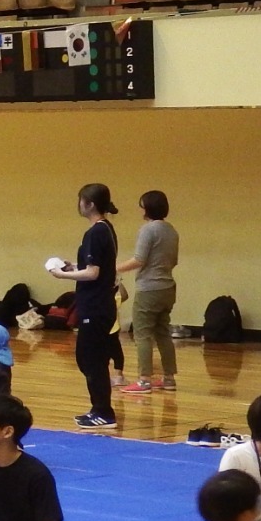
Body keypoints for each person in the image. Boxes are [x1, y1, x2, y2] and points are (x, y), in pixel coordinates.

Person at [48, 183, 120, 429]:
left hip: (96, 306)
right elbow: (94, 268)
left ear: (89, 204)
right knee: (89, 358)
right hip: (99, 305)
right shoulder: (105, 229)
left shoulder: (95, 232)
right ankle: (98, 408)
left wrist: (62, 275)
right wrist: (73, 268)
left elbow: (93, 273)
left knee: (92, 360)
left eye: (81, 200)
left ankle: (104, 411)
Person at [117, 189, 179, 393]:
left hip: (149, 290)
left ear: (148, 208)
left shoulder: (148, 230)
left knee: (142, 335)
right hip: (168, 288)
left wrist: (114, 268)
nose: (140, 209)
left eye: (141, 205)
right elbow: (174, 261)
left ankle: (144, 380)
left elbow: (139, 259)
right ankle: (169, 378)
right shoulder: (171, 230)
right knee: (163, 333)